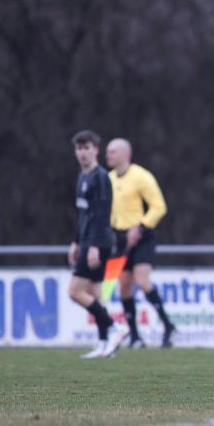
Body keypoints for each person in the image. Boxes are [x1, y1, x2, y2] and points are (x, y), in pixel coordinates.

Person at [105, 138, 175, 348]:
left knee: (142, 281)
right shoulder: (107, 179)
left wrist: (141, 227)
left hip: (142, 236)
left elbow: (159, 206)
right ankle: (135, 336)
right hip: (118, 238)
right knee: (124, 286)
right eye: (108, 151)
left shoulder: (141, 176)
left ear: (126, 154)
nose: (108, 155)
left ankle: (167, 326)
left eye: (113, 151)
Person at [68, 130, 129, 358]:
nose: (82, 152)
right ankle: (105, 344)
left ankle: (116, 328)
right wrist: (75, 241)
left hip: (98, 243)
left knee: (74, 292)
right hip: (86, 241)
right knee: (94, 294)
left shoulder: (100, 177)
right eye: (79, 148)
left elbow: (102, 215)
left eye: (87, 148)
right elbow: (84, 215)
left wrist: (92, 246)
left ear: (96, 150)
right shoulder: (83, 176)